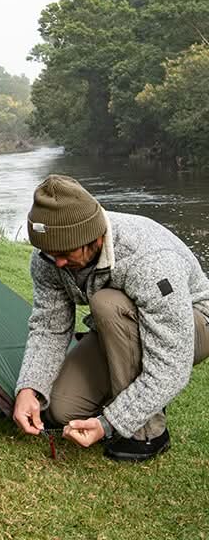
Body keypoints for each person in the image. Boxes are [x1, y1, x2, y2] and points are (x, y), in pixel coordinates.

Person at [13, 174, 209, 462]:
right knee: (61, 409)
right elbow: (48, 327)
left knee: (106, 303)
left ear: (96, 238)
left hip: (195, 322)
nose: (58, 263)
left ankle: (147, 432)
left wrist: (109, 424)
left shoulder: (150, 261)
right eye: (49, 254)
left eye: (66, 253)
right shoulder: (49, 260)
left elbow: (172, 363)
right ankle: (130, 397)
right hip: (124, 325)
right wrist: (30, 388)